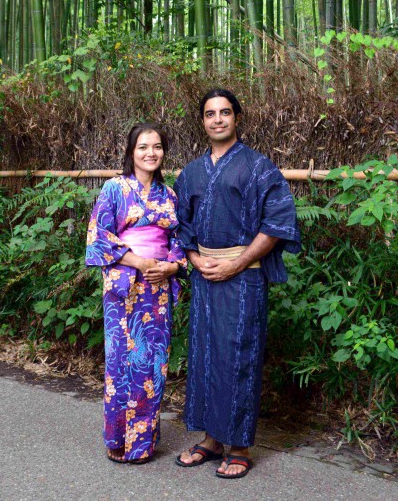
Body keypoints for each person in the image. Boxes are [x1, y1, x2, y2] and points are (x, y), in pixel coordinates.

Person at [172, 89, 300, 479]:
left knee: (239, 356)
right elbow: (182, 227)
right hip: (206, 277)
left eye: (225, 112)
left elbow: (278, 222)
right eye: (210, 114)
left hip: (244, 278)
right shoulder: (191, 172)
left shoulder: (258, 167)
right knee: (206, 355)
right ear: (202, 122)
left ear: (237, 118)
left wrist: (238, 264)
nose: (217, 119)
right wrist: (195, 260)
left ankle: (240, 445)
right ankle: (212, 439)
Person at [85, 123, 187, 464]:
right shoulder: (115, 189)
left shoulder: (169, 195)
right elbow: (98, 237)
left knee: (153, 363)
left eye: (157, 147)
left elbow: (179, 242)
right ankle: (117, 437)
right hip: (125, 285)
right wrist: (141, 262)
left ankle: (142, 443)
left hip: (157, 288)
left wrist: (171, 267)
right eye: (143, 147)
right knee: (120, 362)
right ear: (131, 151)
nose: (151, 153)